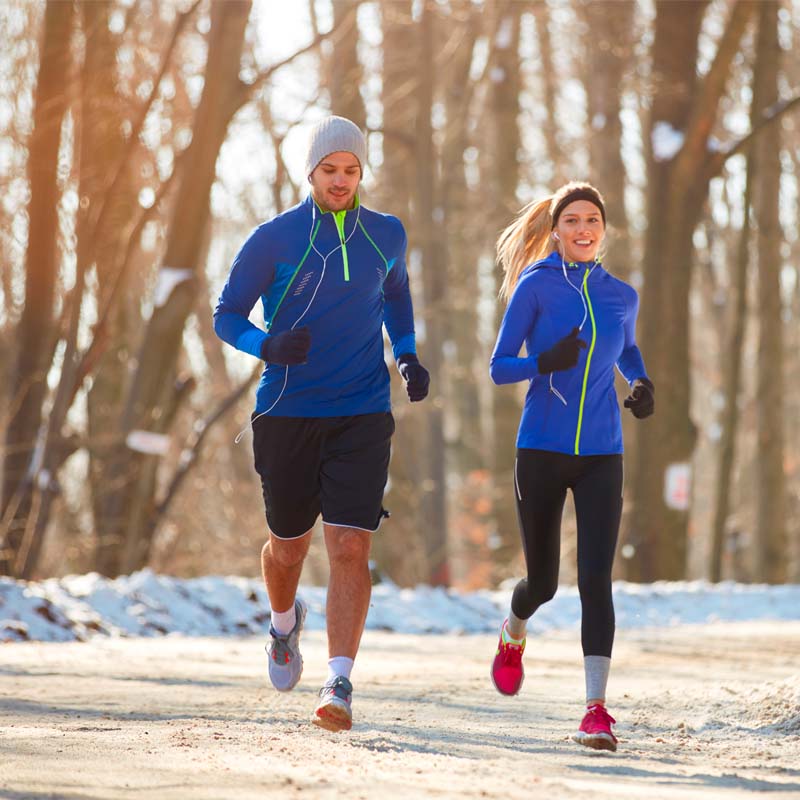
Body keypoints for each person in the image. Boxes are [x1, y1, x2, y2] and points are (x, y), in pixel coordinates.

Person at [213, 116, 430, 732]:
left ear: (363, 174)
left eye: (351, 170)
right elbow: (226, 314)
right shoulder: (274, 238)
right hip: (287, 411)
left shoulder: (386, 233)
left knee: (351, 545)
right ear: (310, 172)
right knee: (288, 547)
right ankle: (284, 626)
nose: (341, 181)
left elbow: (396, 295)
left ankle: (339, 682)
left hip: (361, 410)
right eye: (330, 170)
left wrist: (408, 354)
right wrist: (267, 345)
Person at [488, 181, 653, 752]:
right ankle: (514, 631)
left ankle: (596, 710)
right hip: (541, 449)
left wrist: (641, 381)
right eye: (573, 221)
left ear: (603, 229)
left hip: (603, 453)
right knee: (545, 583)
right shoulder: (534, 288)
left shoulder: (620, 295)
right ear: (556, 230)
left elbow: (626, 348)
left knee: (595, 581)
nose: (584, 229)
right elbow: (498, 368)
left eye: (593, 220)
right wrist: (543, 362)